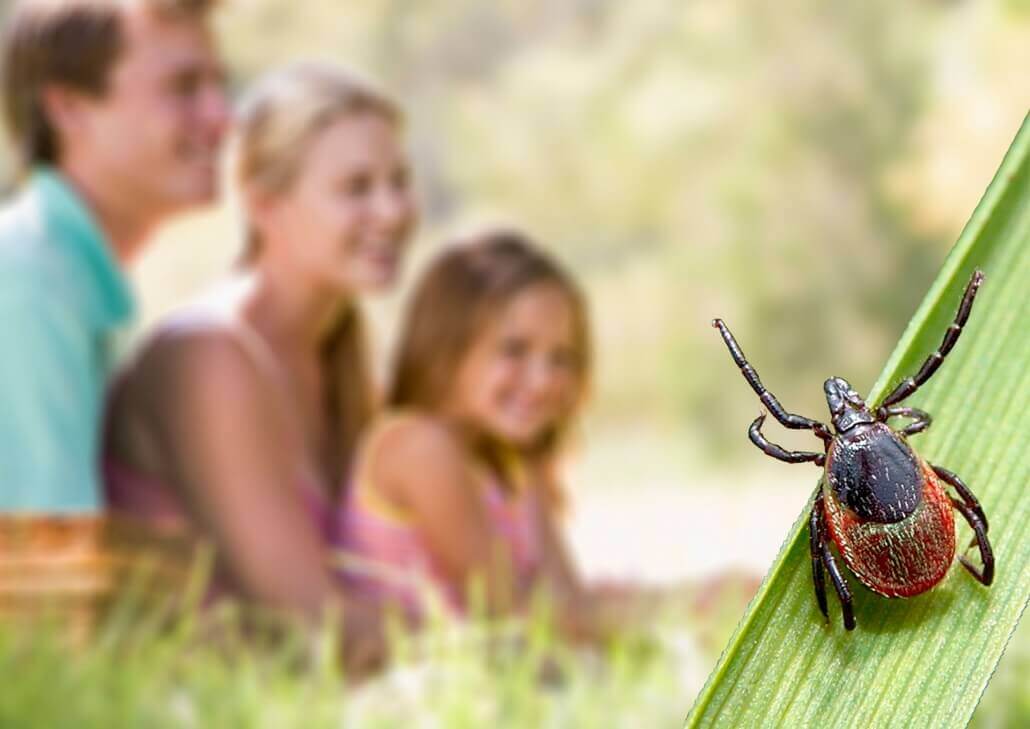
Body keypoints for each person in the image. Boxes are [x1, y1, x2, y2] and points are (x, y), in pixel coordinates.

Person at [103, 62, 417, 666]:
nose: (393, 211)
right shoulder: (207, 355)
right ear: (264, 205)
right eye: (356, 189)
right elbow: (309, 623)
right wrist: (499, 639)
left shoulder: (343, 357)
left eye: (400, 182)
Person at [0, 0, 228, 513]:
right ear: (68, 108)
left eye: (220, 86)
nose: (223, 118)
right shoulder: (32, 287)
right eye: (184, 88)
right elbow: (44, 555)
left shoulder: (65, 275)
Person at [340, 230, 620, 641]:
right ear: (446, 347)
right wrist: (666, 609)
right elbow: (510, 613)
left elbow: (568, 603)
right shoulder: (416, 446)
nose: (543, 381)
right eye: (514, 350)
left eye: (561, 358)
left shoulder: (515, 463)